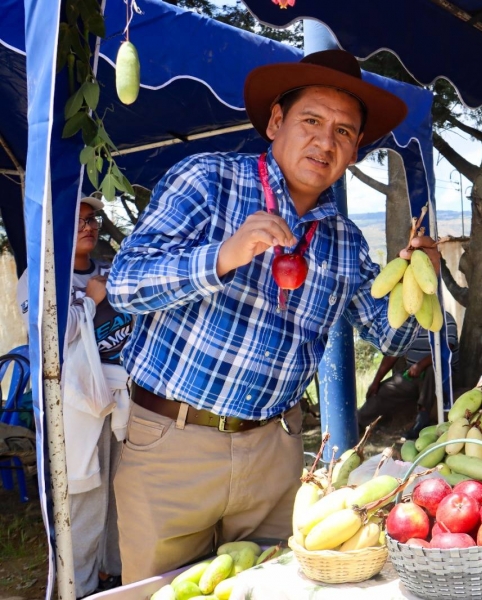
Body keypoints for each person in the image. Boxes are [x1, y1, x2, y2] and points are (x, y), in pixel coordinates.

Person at [106, 50, 439, 582]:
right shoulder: (207, 181)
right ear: (276, 121)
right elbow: (124, 286)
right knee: (161, 591)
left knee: (274, 586)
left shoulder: (344, 242)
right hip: (172, 444)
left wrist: (418, 279)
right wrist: (222, 256)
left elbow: (391, 332)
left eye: (344, 132)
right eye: (311, 121)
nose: (325, 142)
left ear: (354, 151)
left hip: (276, 453)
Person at [16, 196, 132, 596]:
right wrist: (92, 300)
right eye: (78, 219)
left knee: (122, 491)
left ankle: (113, 575)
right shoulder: (41, 277)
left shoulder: (111, 271)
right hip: (75, 409)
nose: (88, 225)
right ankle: (75, 587)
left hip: (120, 402)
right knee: (82, 497)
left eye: (92, 218)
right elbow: (52, 341)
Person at [358, 311, 459, 438]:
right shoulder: (408, 324)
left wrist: (421, 365)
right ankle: (359, 422)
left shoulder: (444, 319)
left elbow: (445, 349)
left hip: (441, 376)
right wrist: (376, 381)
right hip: (412, 375)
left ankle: (422, 420)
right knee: (383, 391)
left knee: (433, 369)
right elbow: (393, 354)